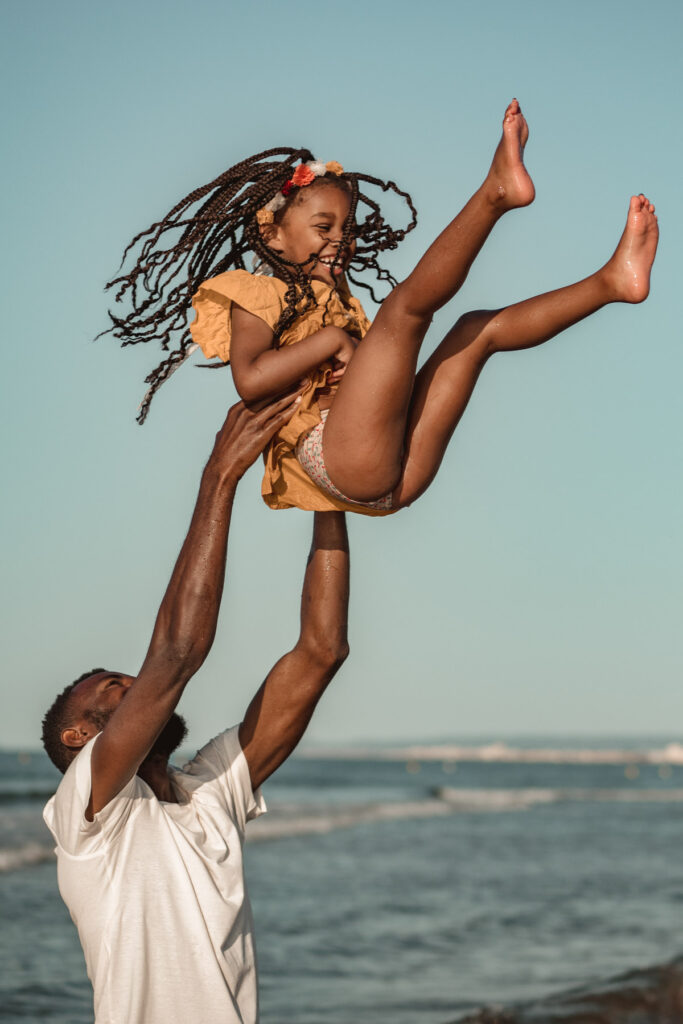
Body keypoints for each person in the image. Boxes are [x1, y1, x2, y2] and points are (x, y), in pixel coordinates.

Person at [105, 100, 658, 517]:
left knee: (475, 331)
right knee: (405, 312)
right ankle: (495, 194)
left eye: (346, 229)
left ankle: (612, 283)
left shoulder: (336, 300)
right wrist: (334, 342)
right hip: (341, 460)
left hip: (393, 475)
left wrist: (344, 337)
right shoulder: (255, 292)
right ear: (271, 233)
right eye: (323, 228)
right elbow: (250, 380)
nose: (338, 241)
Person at [41, 393, 351, 1024]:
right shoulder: (88, 812)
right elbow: (177, 654)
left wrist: (328, 490)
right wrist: (220, 476)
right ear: (78, 737)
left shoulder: (209, 791)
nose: (133, 684)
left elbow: (321, 653)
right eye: (111, 688)